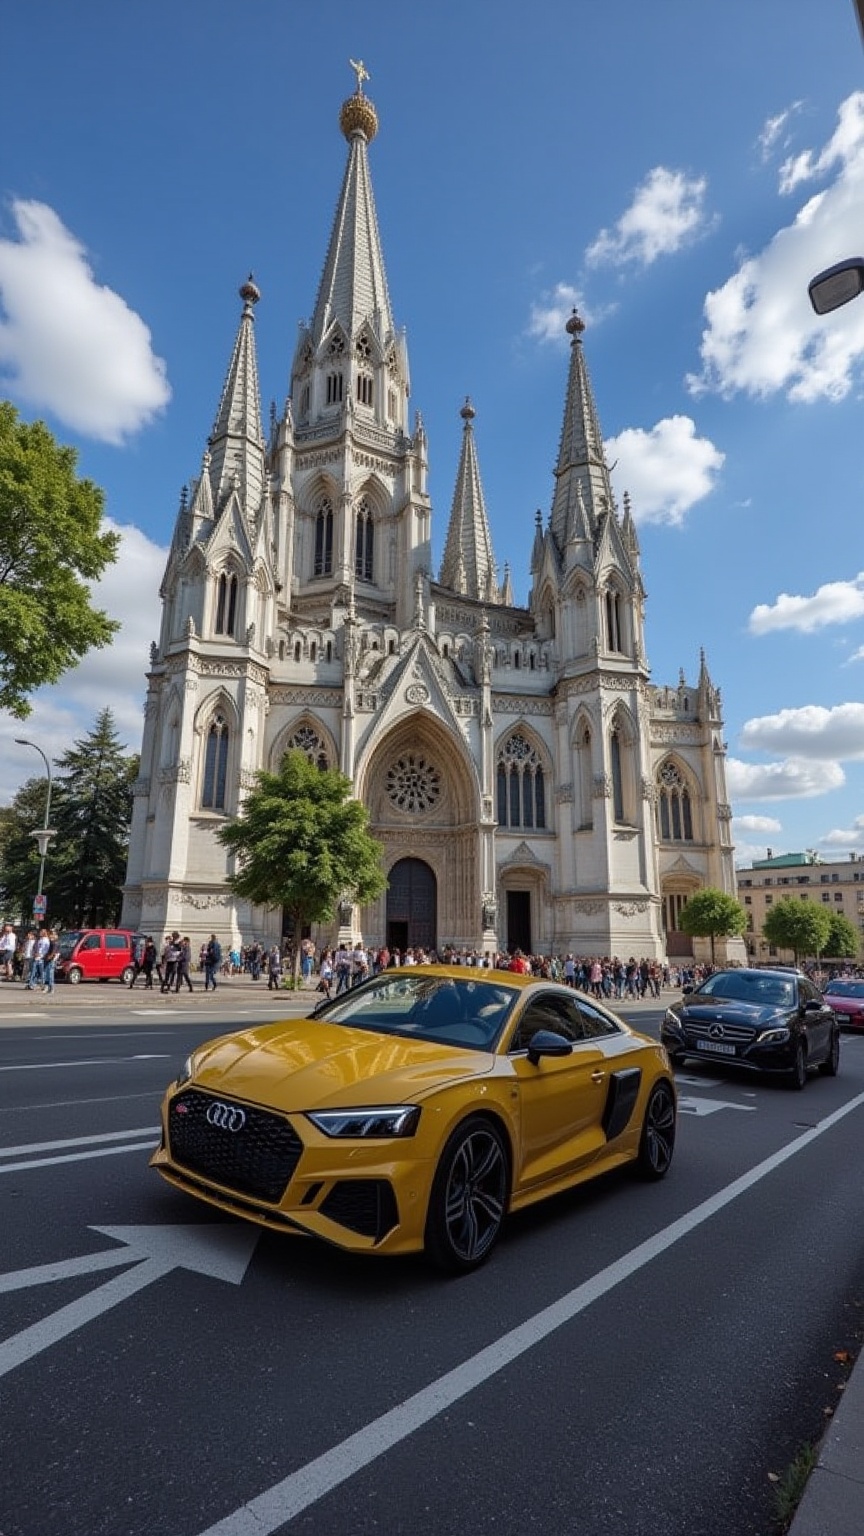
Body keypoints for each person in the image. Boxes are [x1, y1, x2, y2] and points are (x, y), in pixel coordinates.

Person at [42, 929, 59, 994]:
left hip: (51, 960)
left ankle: (51, 988)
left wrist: (49, 957)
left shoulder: (55, 942)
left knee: (50, 974)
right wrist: (45, 956)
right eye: (50, 934)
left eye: (53, 934)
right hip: (47, 959)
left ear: (56, 936)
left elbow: (53, 952)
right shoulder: (51, 942)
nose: (51, 935)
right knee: (47, 974)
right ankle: (47, 987)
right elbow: (49, 951)